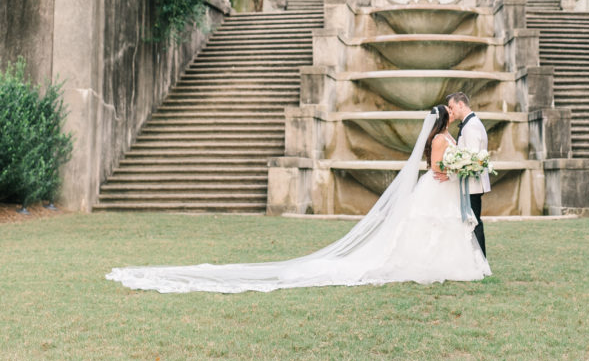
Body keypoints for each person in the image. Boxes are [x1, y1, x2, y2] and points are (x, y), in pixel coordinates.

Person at [106, 106, 490, 293]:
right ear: (444, 120)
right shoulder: (441, 138)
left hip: (436, 193)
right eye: (451, 112)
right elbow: (439, 169)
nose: (454, 115)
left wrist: (459, 167)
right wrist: (457, 169)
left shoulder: (443, 136)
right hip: (437, 189)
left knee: (429, 230)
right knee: (427, 231)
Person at [445, 92, 490, 258]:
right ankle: (474, 259)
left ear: (461, 104)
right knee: (472, 222)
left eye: (452, 107)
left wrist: (452, 172)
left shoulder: (471, 126)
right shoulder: (470, 123)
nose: (451, 111)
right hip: (470, 184)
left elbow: (471, 159)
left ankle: (480, 260)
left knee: (474, 223)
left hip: (472, 184)